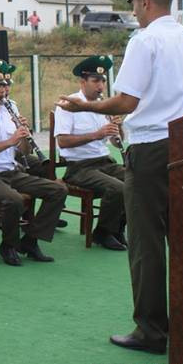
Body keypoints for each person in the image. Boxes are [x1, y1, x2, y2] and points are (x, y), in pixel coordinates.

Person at [58, 0, 183, 355]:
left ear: (143, 1)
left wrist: (85, 105)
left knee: (146, 243)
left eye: (135, 6)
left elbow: (127, 102)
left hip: (150, 148)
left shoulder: (145, 40)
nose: (136, 14)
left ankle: (152, 331)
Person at [0, 60, 68, 266]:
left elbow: (23, 152)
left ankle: (30, 240)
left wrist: (24, 137)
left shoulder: (11, 109)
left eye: (6, 85)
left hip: (11, 171)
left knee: (58, 190)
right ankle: (8, 245)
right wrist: (10, 140)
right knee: (15, 200)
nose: (4, 90)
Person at [53, 55, 127, 251]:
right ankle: (103, 233)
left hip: (104, 162)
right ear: (83, 81)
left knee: (136, 180)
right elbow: (63, 141)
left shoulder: (104, 106)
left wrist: (117, 127)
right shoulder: (69, 105)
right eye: (95, 81)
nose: (100, 86)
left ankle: (118, 229)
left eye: (103, 81)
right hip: (79, 167)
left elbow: (114, 140)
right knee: (118, 188)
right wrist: (96, 134)